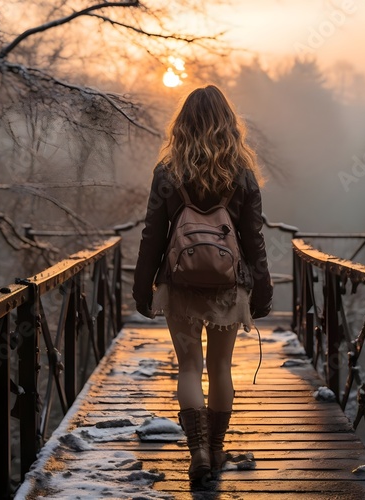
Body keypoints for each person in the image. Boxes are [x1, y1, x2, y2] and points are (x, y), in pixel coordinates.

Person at [133, 84, 273, 482]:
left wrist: (142, 287)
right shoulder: (242, 173)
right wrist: (261, 291)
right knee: (222, 366)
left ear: (183, 124)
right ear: (229, 124)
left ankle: (197, 455)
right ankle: (215, 448)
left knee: (190, 367)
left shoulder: (168, 171)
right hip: (229, 288)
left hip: (178, 285)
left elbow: (153, 235)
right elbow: (253, 239)